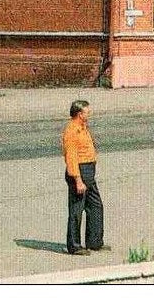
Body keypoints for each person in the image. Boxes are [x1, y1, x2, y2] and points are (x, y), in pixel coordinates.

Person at [62, 99, 105, 256]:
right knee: (76, 210)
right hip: (79, 172)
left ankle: (94, 242)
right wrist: (78, 179)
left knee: (96, 205)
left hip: (88, 171)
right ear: (80, 114)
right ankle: (74, 246)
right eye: (87, 112)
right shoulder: (71, 131)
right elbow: (71, 157)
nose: (90, 114)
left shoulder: (82, 127)